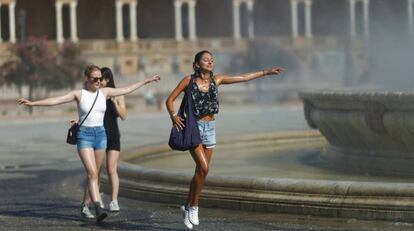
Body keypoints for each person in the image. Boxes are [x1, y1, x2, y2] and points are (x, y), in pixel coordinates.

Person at [18, 64, 160, 222]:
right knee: (92, 173)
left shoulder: (105, 93)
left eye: (100, 78)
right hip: (84, 136)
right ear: (87, 79)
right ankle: (98, 207)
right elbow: (56, 100)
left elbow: (126, 89)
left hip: (101, 135)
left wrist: (146, 81)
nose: (98, 81)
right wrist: (33, 103)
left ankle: (85, 206)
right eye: (95, 79)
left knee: (96, 174)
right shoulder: (79, 94)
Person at [165, 50, 283, 230]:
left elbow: (243, 78)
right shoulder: (188, 81)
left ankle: (187, 205)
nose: (210, 62)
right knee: (204, 168)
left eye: (211, 60)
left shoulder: (216, 80)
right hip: (194, 128)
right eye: (205, 60)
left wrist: (265, 72)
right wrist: (173, 116)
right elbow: (170, 99)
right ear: (197, 64)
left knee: (200, 172)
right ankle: (195, 207)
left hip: (210, 128)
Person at [79, 67, 127, 219]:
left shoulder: (115, 94)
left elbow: (124, 115)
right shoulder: (95, 94)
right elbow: (85, 112)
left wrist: (114, 103)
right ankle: (87, 203)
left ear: (109, 80)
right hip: (97, 134)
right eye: (99, 79)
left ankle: (114, 200)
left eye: (104, 79)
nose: (101, 81)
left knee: (112, 168)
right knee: (95, 173)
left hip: (112, 135)